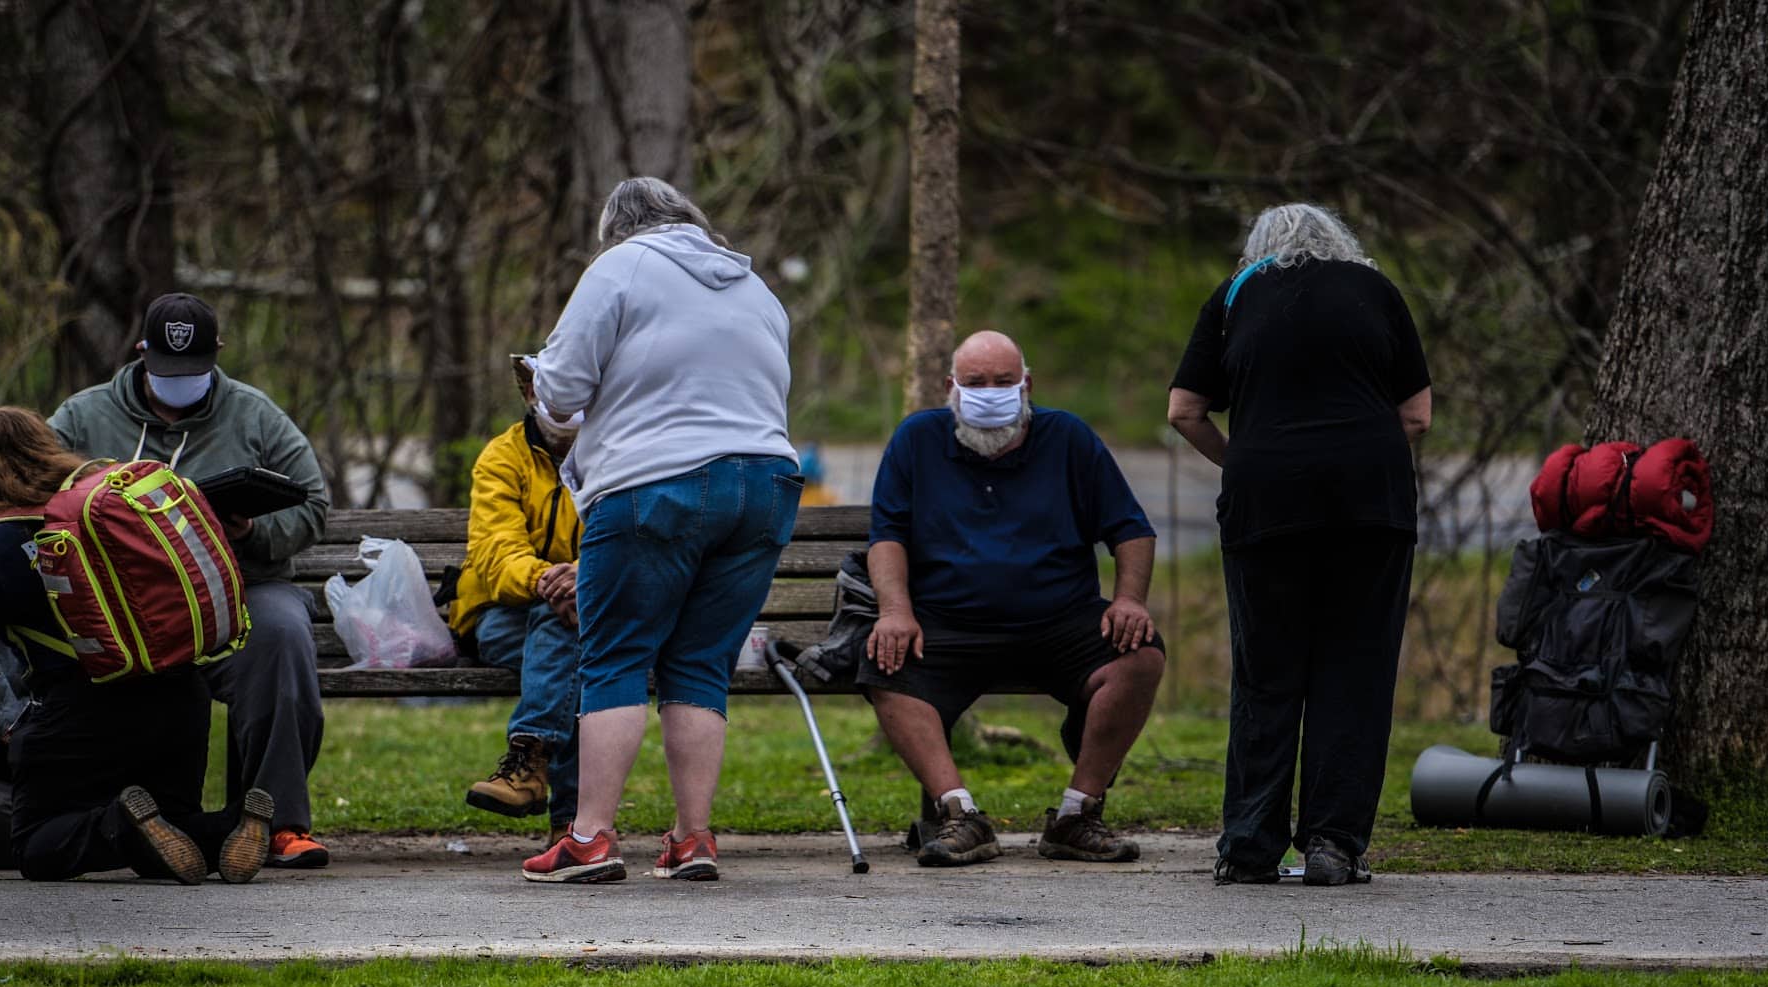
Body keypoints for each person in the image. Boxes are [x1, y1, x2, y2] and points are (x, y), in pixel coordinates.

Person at [519, 176, 800, 885]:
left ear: (617, 227)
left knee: (612, 658)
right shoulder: (755, 287)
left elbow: (560, 391)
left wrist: (549, 400)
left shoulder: (618, 268)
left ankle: (589, 839)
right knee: (701, 664)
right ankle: (693, 839)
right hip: (766, 485)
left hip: (656, 485)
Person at [0, 408, 272, 883]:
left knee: (39, 847)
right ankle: (229, 828)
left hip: (82, 712)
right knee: (171, 827)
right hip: (179, 695)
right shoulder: (107, 514)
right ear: (49, 449)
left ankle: (121, 823)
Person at [1166, 202, 1433, 887]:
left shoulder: (1235, 295)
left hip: (1266, 505)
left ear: (1257, 251)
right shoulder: (1377, 291)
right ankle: (1334, 845)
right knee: (1356, 672)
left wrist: (1250, 460)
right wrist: (1355, 458)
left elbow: (1185, 411)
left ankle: (1250, 845)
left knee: (1267, 672)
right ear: (1342, 243)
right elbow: (1416, 413)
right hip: (1371, 507)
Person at [49, 293, 334, 870]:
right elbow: (33, 495)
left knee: (282, 632)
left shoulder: (256, 415)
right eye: (166, 371)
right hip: (123, 604)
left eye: (194, 372)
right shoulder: (83, 417)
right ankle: (103, 818)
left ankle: (274, 822)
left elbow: (314, 506)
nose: (180, 384)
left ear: (218, 355)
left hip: (238, 591)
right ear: (141, 352)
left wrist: (253, 529)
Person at [862, 330, 1166, 868]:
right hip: (947, 623)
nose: (989, 392)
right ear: (950, 387)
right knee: (885, 669)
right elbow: (888, 536)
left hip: (1060, 619)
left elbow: (1131, 530)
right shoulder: (916, 439)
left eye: (1003, 382)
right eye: (975, 383)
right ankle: (960, 815)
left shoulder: (1068, 437)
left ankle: (1077, 815)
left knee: (1140, 656)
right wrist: (895, 611)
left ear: (1026, 385)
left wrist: (1130, 600)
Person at [451, 354, 585, 840]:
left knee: (571, 642)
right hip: (506, 615)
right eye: (554, 391)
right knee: (572, 641)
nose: (568, 404)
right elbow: (495, 551)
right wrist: (551, 582)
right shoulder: (502, 457)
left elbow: (632, 538)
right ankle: (576, 826)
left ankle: (527, 762)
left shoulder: (619, 454)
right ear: (530, 394)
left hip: (591, 610)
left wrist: (586, 579)